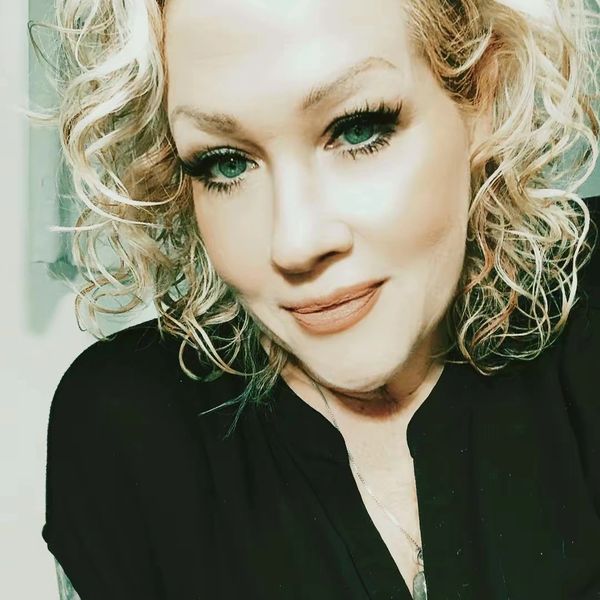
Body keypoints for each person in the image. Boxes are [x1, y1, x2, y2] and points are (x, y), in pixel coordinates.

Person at [32, 0, 600, 598]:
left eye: (358, 129)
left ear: (481, 95)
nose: (295, 242)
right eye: (225, 163)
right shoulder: (127, 427)